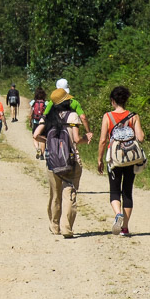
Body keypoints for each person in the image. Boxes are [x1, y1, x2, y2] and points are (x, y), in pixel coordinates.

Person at [33, 88, 92, 238]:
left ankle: (54, 226)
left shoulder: (48, 118)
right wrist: (87, 138)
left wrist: (48, 142)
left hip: (52, 162)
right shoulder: (72, 116)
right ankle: (67, 227)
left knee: (55, 195)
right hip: (71, 161)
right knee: (69, 193)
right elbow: (77, 140)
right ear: (66, 101)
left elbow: (35, 135)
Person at [97, 85, 145, 237]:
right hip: (130, 159)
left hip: (115, 158)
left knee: (114, 190)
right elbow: (141, 137)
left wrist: (99, 159)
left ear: (112, 101)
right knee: (127, 191)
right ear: (126, 100)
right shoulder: (134, 116)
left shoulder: (107, 116)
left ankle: (118, 214)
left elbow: (103, 140)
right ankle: (125, 228)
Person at [28, 86, 48, 159]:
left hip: (35, 121)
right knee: (43, 137)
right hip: (43, 122)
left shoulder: (33, 102)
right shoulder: (46, 103)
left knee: (35, 136)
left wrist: (30, 121)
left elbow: (30, 113)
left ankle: (37, 149)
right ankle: (42, 154)